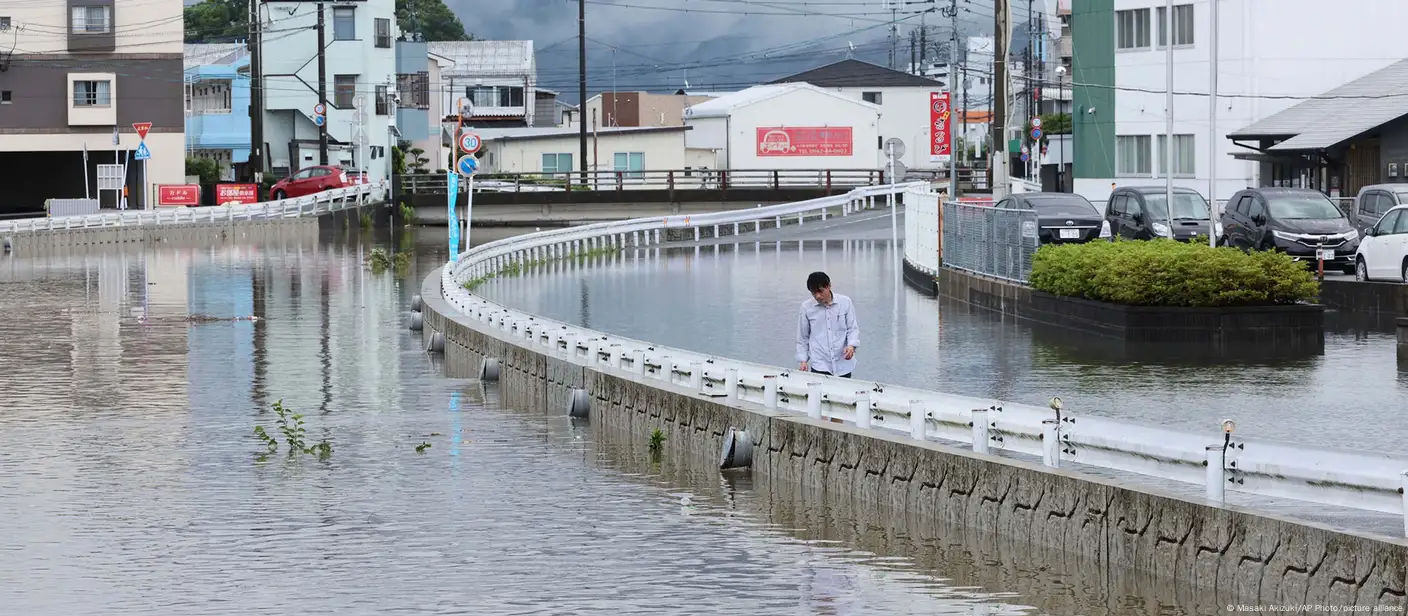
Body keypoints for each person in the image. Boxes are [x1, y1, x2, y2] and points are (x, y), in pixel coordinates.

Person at [795, 271, 859, 378]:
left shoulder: (845, 302)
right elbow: (802, 337)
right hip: (820, 364)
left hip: (843, 363)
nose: (818, 296)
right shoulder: (806, 307)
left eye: (820, 291)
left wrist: (851, 346)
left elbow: (852, 329)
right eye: (814, 293)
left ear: (829, 286)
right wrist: (803, 361)